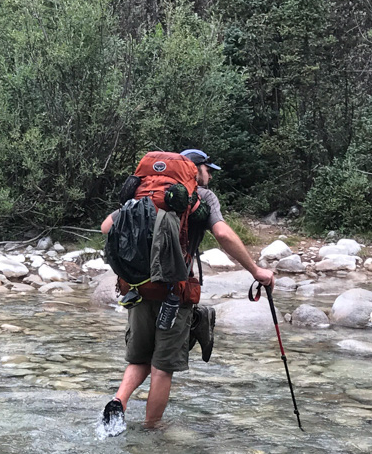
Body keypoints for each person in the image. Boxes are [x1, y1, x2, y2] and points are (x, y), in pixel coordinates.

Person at [100, 149, 274, 429]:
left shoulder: (144, 192)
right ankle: (152, 430)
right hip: (175, 293)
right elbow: (222, 233)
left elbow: (107, 226)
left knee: (139, 358)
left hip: (140, 288)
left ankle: (118, 402)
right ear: (196, 169)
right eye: (208, 170)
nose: (210, 176)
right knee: (162, 367)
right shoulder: (201, 197)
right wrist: (256, 271)